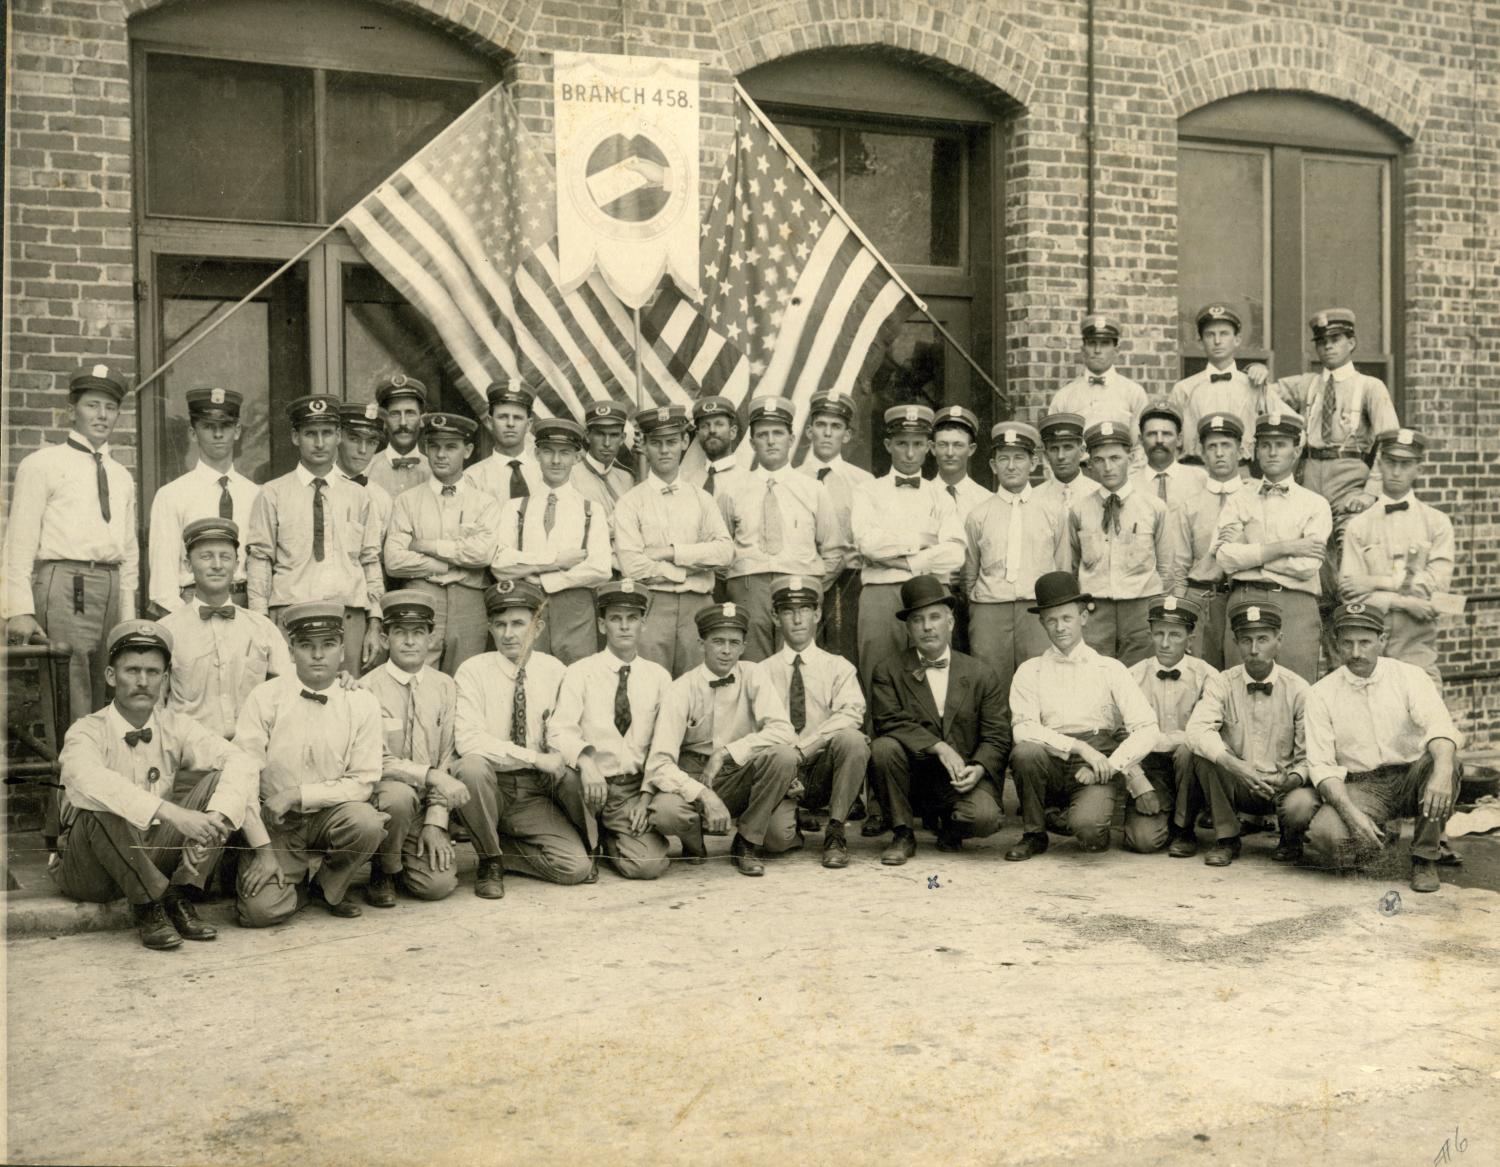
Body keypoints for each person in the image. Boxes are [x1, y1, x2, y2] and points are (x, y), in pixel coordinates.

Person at [54, 620, 258, 950]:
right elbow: (86, 779)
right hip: (91, 871)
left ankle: (182, 892)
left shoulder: (175, 725)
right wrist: (175, 814)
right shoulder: (87, 730)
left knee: (221, 782)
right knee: (98, 807)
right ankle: (151, 905)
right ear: (110, 677)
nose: (143, 682)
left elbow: (240, 761)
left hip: (148, 853)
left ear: (164, 680)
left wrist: (212, 823)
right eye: (132, 671)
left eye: (152, 672)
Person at [233, 601, 388, 925]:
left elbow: (363, 781)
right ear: (291, 651)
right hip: (276, 819)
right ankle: (293, 884)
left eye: (328, 645)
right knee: (258, 912)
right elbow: (242, 775)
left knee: (367, 822)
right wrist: (262, 849)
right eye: (306, 646)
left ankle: (327, 887)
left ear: (342, 651)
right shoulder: (265, 697)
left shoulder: (362, 702)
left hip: (329, 816)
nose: (318, 655)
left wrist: (297, 794)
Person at [2, 365, 139, 720]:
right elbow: (19, 539)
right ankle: (71, 771)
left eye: (110, 408)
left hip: (109, 585)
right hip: (65, 583)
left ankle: (96, 770)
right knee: (69, 685)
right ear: (71, 411)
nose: (102, 415)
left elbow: (128, 551)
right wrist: (18, 608)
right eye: (92, 405)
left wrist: (127, 613)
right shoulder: (42, 465)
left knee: (107, 684)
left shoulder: (122, 476)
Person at [1302, 603, 1461, 893]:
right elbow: (1323, 766)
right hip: (1364, 785)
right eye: (1347, 643)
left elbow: (1440, 727)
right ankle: (1377, 838)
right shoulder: (1320, 694)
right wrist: (1351, 815)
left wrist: (1442, 772)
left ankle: (1425, 857)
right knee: (1326, 838)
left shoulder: (1410, 676)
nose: (1356, 652)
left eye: (1365, 642)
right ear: (1337, 644)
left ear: (1382, 641)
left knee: (1444, 761)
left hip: (1412, 776)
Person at [1005, 571, 1160, 861]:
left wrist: (1112, 765)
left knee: (1088, 831)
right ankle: (1034, 833)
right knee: (1025, 752)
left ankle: (1076, 818)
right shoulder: (1030, 670)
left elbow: (1147, 728)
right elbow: (1023, 729)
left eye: (1067, 618)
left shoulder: (1110, 669)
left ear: (1083, 618)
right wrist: (1077, 746)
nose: (1060, 627)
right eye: (1051, 620)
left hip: (1097, 760)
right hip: (1050, 761)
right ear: (1042, 623)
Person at [453, 580, 591, 896]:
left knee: (575, 868)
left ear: (538, 626)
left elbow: (564, 729)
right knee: (469, 767)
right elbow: (469, 740)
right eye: (499, 625)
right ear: (489, 627)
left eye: (518, 623)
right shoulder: (473, 670)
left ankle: (502, 849)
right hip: (490, 786)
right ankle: (489, 860)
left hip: (534, 791)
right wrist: (534, 757)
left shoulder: (555, 670)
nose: (508, 634)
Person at [644, 602, 801, 876]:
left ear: (743, 646)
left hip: (742, 773)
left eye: (734, 642)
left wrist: (725, 752)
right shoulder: (681, 688)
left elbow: (784, 731)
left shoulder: (754, 674)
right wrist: (704, 794)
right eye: (718, 641)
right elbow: (659, 763)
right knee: (665, 811)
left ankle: (747, 841)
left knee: (778, 835)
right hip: (695, 776)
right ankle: (694, 842)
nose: (726, 650)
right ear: (701, 643)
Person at [869, 574, 1011, 865]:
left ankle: (951, 826)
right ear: (908, 628)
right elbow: (888, 721)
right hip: (912, 776)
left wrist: (981, 768)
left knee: (984, 819)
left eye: (935, 617)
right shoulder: (889, 671)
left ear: (951, 622)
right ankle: (902, 833)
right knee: (883, 747)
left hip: (961, 776)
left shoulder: (980, 673)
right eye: (918, 620)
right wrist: (939, 746)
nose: (927, 626)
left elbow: (997, 733)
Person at [245, 394, 385, 674]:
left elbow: (370, 560)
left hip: (348, 617)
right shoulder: (273, 493)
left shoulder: (359, 496)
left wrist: (375, 622)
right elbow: (259, 560)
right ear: (296, 437)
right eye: (310, 434)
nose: (320, 443)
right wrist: (262, 623)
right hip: (291, 616)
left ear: (339, 436)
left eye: (327, 433)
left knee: (346, 702)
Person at [549, 580, 675, 880]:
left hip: (631, 788)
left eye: (632, 618)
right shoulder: (580, 672)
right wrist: (586, 761)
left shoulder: (659, 677)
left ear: (643, 623)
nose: (624, 627)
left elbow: (665, 744)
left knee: (647, 866)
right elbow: (557, 731)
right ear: (602, 625)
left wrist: (646, 796)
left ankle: (610, 838)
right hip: (587, 787)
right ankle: (586, 835)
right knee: (567, 778)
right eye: (615, 619)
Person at [1184, 600, 1317, 867]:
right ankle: (1228, 839)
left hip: (1282, 786)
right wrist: (1236, 766)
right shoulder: (1222, 682)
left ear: (1279, 641)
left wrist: (1290, 779)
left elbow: (1310, 754)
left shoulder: (1299, 690)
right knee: (1202, 755)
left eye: (1263, 639)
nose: (1254, 650)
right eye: (1246, 640)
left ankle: (1290, 840)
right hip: (1239, 781)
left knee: (1301, 803)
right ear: (1236, 642)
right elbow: (1196, 730)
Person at [716, 395, 846, 661]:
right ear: (752, 443)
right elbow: (719, 549)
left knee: (798, 662)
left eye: (778, 433)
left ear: (791, 438)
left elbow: (834, 550)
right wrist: (738, 586)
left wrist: (813, 586)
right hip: (749, 587)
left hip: (799, 585)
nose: (771, 441)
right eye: (763, 435)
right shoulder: (732, 491)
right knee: (752, 667)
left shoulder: (813, 489)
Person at [358, 591, 466, 907]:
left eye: (418, 633)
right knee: (399, 796)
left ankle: (413, 850)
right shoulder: (367, 688)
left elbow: (448, 756)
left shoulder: (445, 686)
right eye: (400, 633)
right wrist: (430, 775)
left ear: (431, 638)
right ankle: (384, 869)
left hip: (425, 805)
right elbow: (376, 760)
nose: (409, 641)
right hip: (384, 802)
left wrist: (435, 822)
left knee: (438, 886)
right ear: (384, 637)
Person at [850, 403, 965, 690]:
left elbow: (954, 554)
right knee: (878, 672)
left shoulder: (941, 496)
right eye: (902, 444)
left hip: (930, 593)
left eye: (917, 444)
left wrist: (905, 562)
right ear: (889, 445)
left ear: (928, 446)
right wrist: (922, 540)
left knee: (934, 673)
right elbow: (868, 543)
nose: (910, 453)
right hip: (880, 594)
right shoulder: (867, 491)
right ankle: (880, 736)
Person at [612, 403, 733, 677]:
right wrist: (689, 570)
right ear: (645, 446)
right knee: (650, 688)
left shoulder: (702, 499)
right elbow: (633, 566)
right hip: (653, 606)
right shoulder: (630, 503)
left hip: (698, 606)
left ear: (685, 441)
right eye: (656, 443)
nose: (664, 450)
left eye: (671, 442)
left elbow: (725, 552)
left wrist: (670, 552)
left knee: (699, 689)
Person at [758, 576, 870, 869]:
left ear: (818, 614)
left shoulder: (837, 667)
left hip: (823, 767)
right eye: (787, 611)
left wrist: (807, 746)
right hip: (782, 770)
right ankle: (792, 821)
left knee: (853, 739)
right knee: (775, 842)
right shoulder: (760, 672)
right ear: (775, 616)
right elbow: (755, 729)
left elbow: (852, 713)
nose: (797, 619)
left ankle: (835, 830)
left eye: (805, 609)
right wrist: (784, 763)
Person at [1213, 409, 1332, 682]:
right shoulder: (1238, 500)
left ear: (1296, 450)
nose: (1272, 452)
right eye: (1265, 445)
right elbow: (1225, 558)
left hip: (1296, 605)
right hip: (1245, 597)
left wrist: (1250, 552)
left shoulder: (1315, 504)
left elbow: (1306, 566)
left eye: (1281, 445)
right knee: (1238, 687)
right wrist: (1287, 547)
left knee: (1298, 688)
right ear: (1255, 451)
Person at [1254, 308, 1398, 531]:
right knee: (1309, 550)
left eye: (1335, 339)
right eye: (1321, 341)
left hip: (1350, 478)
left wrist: (1371, 492)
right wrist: (1257, 371)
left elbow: (1390, 442)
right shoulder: (1308, 384)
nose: (1328, 346)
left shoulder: (1370, 386)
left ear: (1351, 343)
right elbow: (1263, 395)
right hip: (1309, 474)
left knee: (1349, 544)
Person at [383, 411, 502, 674]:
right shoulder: (407, 501)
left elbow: (482, 555)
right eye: (434, 447)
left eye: (451, 447)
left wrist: (425, 545)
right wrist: (449, 566)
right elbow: (394, 561)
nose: (441, 454)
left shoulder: (485, 503)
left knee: (467, 677)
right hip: (422, 597)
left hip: (470, 602)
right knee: (419, 675)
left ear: (468, 450)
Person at [490, 416, 611, 664]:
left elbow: (600, 568)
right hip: (527, 608)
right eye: (548, 452)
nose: (556, 461)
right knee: (529, 675)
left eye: (564, 453)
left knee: (576, 681)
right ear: (536, 454)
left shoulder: (591, 510)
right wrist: (556, 561)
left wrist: (544, 578)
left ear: (577, 458)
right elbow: (500, 564)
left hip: (576, 610)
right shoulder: (515, 508)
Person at [962, 421, 1069, 698]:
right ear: (993, 465)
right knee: (990, 683)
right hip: (990, 610)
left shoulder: (1053, 512)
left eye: (1019, 457)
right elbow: (970, 571)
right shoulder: (978, 514)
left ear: (1033, 462)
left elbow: (1062, 567)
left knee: (1040, 682)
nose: (1011, 466)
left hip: (1035, 611)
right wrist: (981, 603)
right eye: (1004, 458)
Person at [1339, 427, 1454, 687]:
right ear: (1380, 464)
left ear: (1418, 469)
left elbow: (1437, 586)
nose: (1397, 472)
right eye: (1391, 462)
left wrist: (1375, 582)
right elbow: (1351, 593)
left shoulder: (1436, 523)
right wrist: (1403, 601)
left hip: (1417, 647)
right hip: (1367, 652)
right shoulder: (1359, 526)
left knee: (1430, 721)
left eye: (1405, 464)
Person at [160, 518, 292, 741]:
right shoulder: (166, 632)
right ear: (188, 564)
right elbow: (154, 706)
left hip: (250, 756)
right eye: (206, 556)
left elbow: (289, 692)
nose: (217, 565)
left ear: (237, 564)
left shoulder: (262, 629)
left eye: (225, 557)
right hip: (188, 761)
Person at [1068, 419, 1173, 665]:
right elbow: (1072, 567)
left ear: (1132, 457)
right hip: (1095, 613)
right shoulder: (1080, 510)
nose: (1108, 467)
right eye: (1099, 460)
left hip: (1141, 610)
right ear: (1090, 463)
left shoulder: (1154, 508)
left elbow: (1167, 570)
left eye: (1115, 458)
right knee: (1095, 679)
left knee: (1139, 680)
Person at [146, 386, 259, 615]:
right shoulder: (172, 494)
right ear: (193, 433)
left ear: (237, 431)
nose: (218, 434)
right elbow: (162, 580)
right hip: (190, 602)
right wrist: (185, 621)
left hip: (244, 603)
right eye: (208, 427)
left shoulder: (256, 494)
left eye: (225, 426)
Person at [1124, 596, 1217, 855]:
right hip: (1149, 766)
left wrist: (1155, 738)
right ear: (1150, 634)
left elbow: (1205, 732)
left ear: (1191, 636)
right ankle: (1161, 814)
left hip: (1192, 766)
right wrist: (1140, 785)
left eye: (1175, 634)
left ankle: (1184, 829)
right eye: (1159, 634)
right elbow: (1122, 739)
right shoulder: (1131, 677)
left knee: (1189, 749)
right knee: (1143, 841)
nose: (1165, 643)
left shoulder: (1208, 676)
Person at [796, 389, 872, 666]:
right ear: (809, 431)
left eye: (836, 427)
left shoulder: (863, 482)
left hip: (847, 583)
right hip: (803, 579)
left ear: (847, 435)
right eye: (821, 425)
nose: (828, 433)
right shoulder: (793, 480)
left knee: (843, 656)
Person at [1162, 412, 1245, 667]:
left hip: (1242, 596)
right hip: (1202, 600)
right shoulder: (1189, 506)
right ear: (1202, 453)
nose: (1219, 453)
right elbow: (1179, 567)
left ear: (1240, 451)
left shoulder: (1254, 498)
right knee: (1201, 673)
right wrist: (1178, 613)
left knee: (1240, 671)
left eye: (1226, 446)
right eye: (1212, 447)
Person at [1170, 304, 1282, 468]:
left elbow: (1287, 427)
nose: (1217, 341)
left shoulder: (1255, 385)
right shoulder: (1184, 389)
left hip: (1243, 471)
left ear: (1237, 339)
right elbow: (1170, 438)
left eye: (1224, 334)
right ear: (1200, 342)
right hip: (1197, 471)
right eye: (1210, 335)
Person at [931, 404, 992, 651]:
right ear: (932, 448)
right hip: (934, 593)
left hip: (975, 599)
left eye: (958, 445)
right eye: (943, 444)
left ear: (972, 449)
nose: (950, 452)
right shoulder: (922, 495)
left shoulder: (986, 499)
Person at [1049, 314, 1150, 464]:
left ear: (1117, 349)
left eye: (1104, 343)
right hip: (1079, 477)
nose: (1097, 350)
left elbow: (1141, 446)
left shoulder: (1134, 393)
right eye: (1092, 343)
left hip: (1122, 477)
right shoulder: (1064, 396)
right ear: (1083, 349)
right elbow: (1051, 446)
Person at [469, 381, 542, 505]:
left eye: (518, 418)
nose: (510, 424)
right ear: (490, 422)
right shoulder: (473, 478)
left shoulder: (544, 473)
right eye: (503, 417)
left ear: (529, 425)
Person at [1130, 402, 1207, 510]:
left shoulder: (1200, 479)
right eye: (1152, 434)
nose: (1159, 440)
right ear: (1141, 439)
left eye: (1166, 434)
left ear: (1179, 439)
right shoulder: (1129, 482)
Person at [366, 374, 433, 498]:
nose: (403, 423)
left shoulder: (434, 471)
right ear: (384, 421)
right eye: (395, 414)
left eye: (410, 413)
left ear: (422, 419)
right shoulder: (366, 470)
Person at [336, 400, 395, 537]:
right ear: (338, 437)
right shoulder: (318, 487)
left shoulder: (381, 499)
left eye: (371, 442)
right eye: (354, 439)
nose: (363, 450)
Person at [570, 400, 635, 516]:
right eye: (600, 434)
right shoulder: (571, 477)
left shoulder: (627, 479)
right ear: (587, 436)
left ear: (622, 438)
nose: (607, 443)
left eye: (614, 435)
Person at [680, 394, 742, 496]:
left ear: (733, 432)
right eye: (705, 426)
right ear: (698, 435)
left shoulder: (749, 482)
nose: (712, 430)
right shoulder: (688, 484)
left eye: (719, 424)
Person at [1033, 411, 1091, 515]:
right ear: (1046, 455)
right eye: (1054, 449)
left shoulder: (1097, 493)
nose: (1060, 456)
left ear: (1082, 451)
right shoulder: (1034, 498)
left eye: (1068, 447)